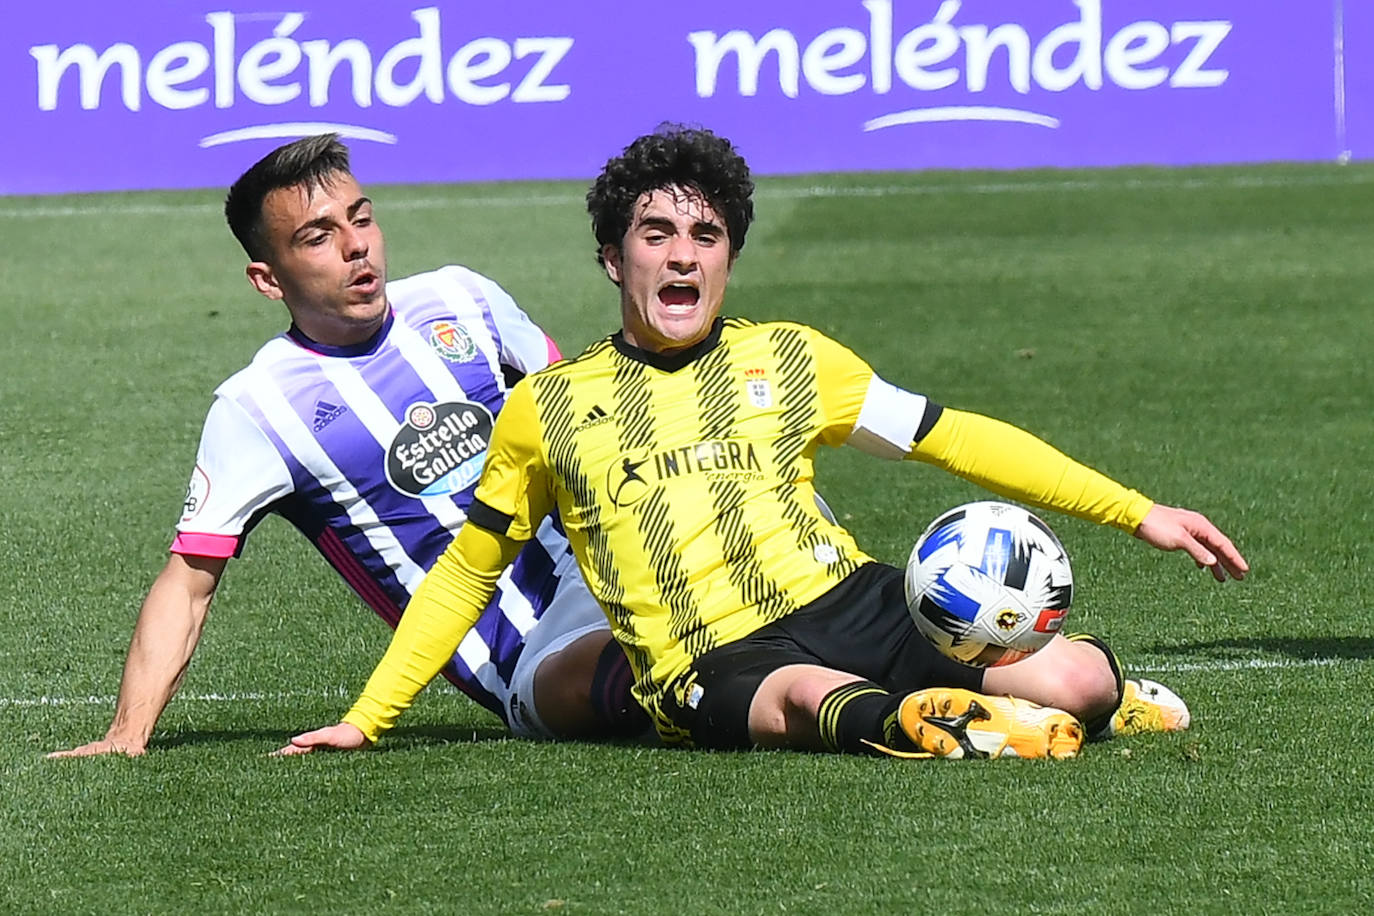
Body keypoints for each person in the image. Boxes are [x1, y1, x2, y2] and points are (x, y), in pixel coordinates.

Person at [283, 125, 1248, 761]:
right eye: (655, 233)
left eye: (705, 235)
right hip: (702, 655)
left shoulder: (791, 358)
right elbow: (465, 573)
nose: (682, 253)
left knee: (1073, 673)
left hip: (848, 596)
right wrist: (368, 720)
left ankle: (1080, 700)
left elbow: (953, 439)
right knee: (799, 698)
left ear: (729, 258)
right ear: (613, 259)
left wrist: (1140, 512)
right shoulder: (547, 406)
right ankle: (941, 728)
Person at [48, 134, 645, 759]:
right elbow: (188, 585)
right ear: (267, 279)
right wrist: (127, 733)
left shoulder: (464, 299)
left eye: (361, 219)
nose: (356, 246)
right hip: (533, 653)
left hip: (628, 570)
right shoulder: (259, 410)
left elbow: (591, 424)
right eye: (318, 236)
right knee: (653, 667)